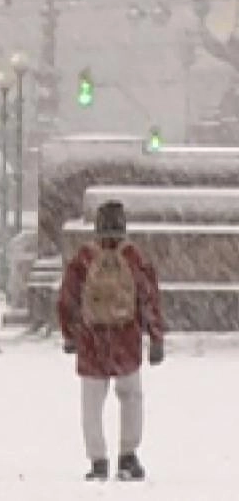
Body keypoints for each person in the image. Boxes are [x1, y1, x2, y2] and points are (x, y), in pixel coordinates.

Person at [57, 200, 164, 482]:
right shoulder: (134, 257)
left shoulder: (84, 258)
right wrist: (155, 337)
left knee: (92, 404)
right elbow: (149, 298)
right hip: (125, 338)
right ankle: (128, 457)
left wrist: (70, 334)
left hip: (92, 340)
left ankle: (98, 460)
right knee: (130, 397)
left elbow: (67, 298)